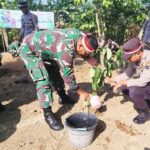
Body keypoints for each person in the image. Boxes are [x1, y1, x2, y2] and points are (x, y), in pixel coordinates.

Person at [18, 28, 98, 131]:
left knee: (54, 71)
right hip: (29, 51)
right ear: (79, 46)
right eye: (86, 53)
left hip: (46, 51)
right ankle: (47, 114)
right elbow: (68, 78)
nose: (86, 55)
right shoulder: (66, 51)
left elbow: (84, 49)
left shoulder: (82, 36)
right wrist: (82, 93)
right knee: (43, 80)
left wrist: (88, 58)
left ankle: (62, 96)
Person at [105, 38, 150, 124]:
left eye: (129, 57)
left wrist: (123, 82)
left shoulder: (149, 59)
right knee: (123, 87)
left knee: (133, 90)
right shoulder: (134, 60)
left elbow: (143, 81)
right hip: (147, 85)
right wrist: (112, 79)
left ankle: (144, 112)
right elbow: (127, 75)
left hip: (147, 83)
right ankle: (146, 102)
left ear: (138, 53)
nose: (127, 60)